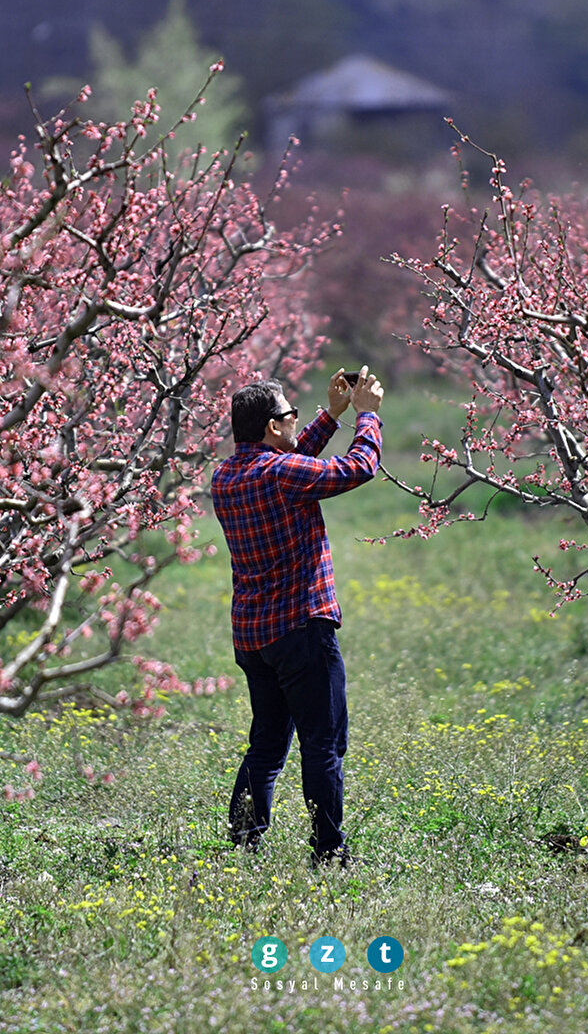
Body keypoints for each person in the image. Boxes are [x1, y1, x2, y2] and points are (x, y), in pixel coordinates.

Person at [211, 366, 384, 865]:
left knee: (266, 744)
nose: (294, 423)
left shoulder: (227, 476)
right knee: (322, 744)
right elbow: (355, 470)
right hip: (302, 629)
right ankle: (329, 852)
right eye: (291, 416)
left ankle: (244, 844)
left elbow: (290, 460)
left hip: (254, 635)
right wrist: (366, 415)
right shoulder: (280, 474)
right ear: (272, 426)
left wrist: (330, 415)